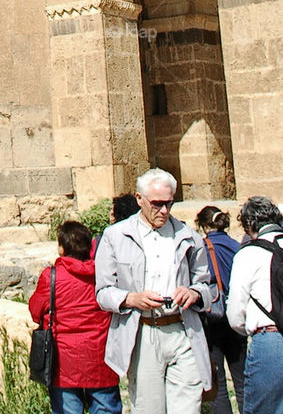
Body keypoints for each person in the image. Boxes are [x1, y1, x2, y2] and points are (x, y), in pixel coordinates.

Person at [95, 167, 213, 413]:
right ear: (140, 199)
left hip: (184, 330)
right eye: (157, 204)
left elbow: (207, 285)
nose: (164, 211)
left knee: (189, 409)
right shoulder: (116, 236)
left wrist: (194, 293)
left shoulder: (189, 236)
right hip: (144, 332)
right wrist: (131, 298)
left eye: (169, 203)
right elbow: (103, 292)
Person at [29, 220, 121, 413]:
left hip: (64, 362)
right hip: (100, 356)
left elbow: (36, 311)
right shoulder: (104, 274)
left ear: (62, 248)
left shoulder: (51, 276)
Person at [227, 196, 283, 414]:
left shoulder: (248, 254)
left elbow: (235, 314)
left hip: (270, 339)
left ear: (249, 224)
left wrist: (250, 330)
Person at [195, 206, 245, 414]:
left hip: (212, 317)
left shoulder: (203, 248)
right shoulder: (236, 245)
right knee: (242, 380)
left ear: (204, 225)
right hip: (235, 315)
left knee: (218, 382)